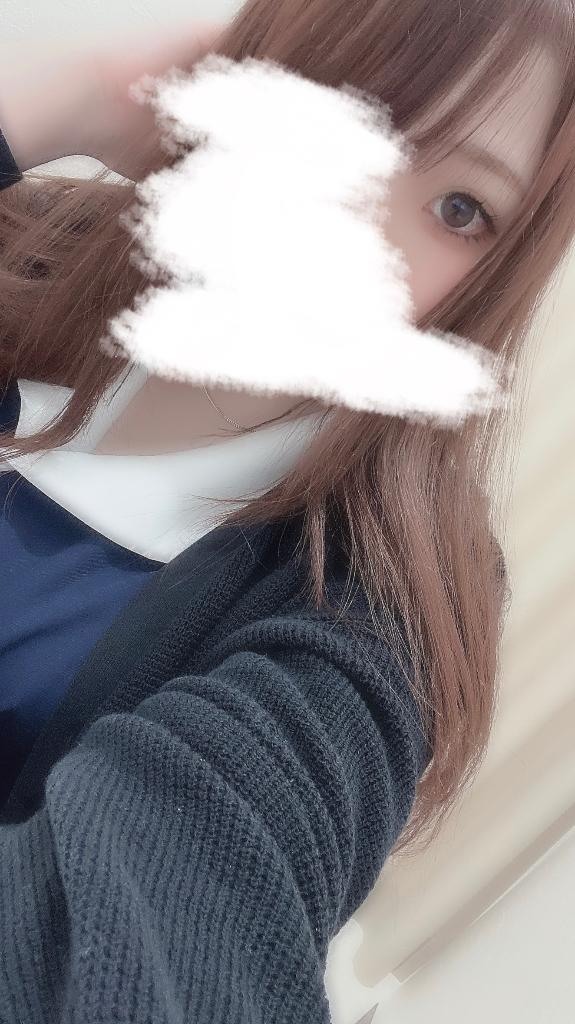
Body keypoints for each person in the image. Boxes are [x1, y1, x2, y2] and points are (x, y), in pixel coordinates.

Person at [0, 2, 573, 1021]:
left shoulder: (376, 603)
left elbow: (158, 938)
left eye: (456, 209)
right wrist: (59, 105)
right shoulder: (39, 240)